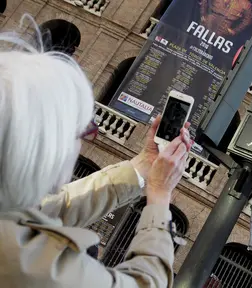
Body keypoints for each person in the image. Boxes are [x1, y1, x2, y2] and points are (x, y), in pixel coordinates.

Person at [0, 16, 191, 288]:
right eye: (81, 130)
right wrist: (159, 195)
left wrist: (142, 166)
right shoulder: (26, 263)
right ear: (44, 148)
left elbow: (56, 206)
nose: (85, 140)